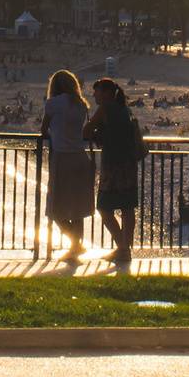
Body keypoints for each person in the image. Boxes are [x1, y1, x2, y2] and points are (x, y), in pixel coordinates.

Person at [85, 77, 145, 272]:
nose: (94, 95)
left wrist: (95, 132)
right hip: (128, 163)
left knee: (104, 207)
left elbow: (86, 131)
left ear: (107, 93)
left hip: (112, 165)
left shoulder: (105, 109)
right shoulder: (124, 109)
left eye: (97, 91)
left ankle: (122, 247)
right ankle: (124, 250)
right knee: (127, 207)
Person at [41, 69, 96, 263]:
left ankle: (74, 242)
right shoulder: (81, 105)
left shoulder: (53, 104)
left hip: (62, 157)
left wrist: (55, 133)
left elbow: (43, 129)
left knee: (55, 206)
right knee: (78, 207)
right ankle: (75, 246)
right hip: (80, 158)